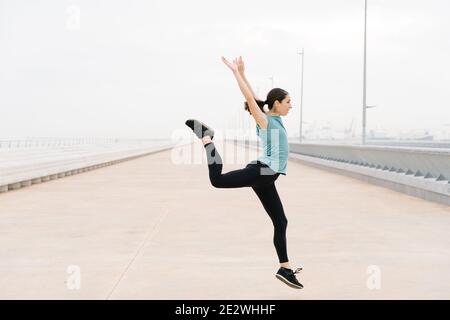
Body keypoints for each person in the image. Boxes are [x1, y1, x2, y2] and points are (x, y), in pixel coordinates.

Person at [185, 56, 303, 289]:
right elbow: (249, 98)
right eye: (288, 101)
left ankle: (285, 269)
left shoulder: (276, 118)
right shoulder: (266, 121)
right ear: (277, 103)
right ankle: (207, 138)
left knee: (281, 221)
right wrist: (235, 73)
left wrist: (243, 73)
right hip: (262, 171)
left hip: (268, 178)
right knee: (217, 180)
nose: (291, 104)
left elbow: (255, 96)